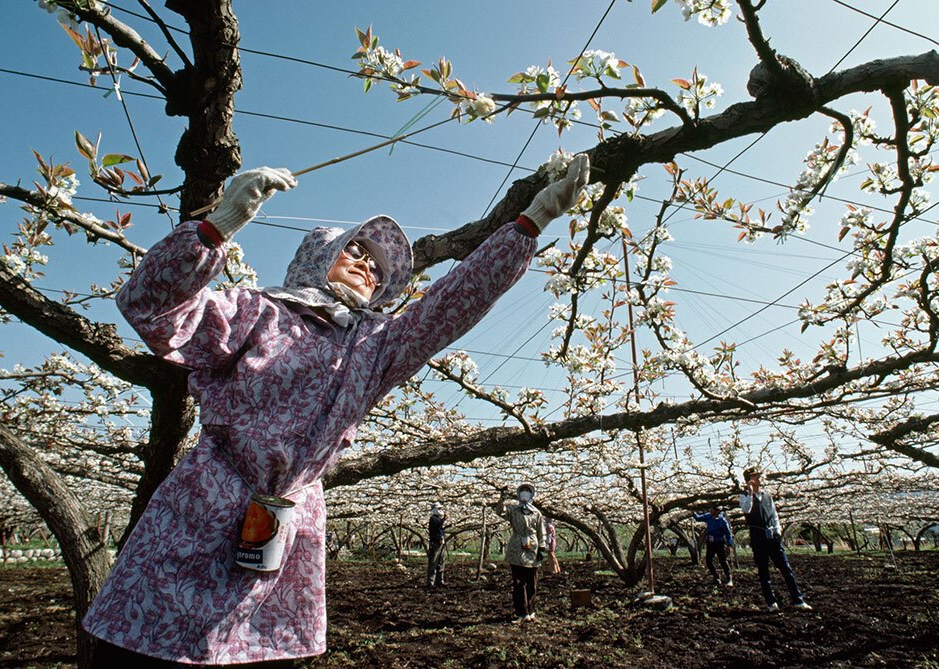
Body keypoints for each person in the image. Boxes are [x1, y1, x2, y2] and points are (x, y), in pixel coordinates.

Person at [82, 155, 590, 666]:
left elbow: (452, 303)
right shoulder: (256, 311)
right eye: (355, 248)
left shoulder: (376, 346)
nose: (368, 265)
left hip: (288, 522)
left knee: (255, 651)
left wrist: (531, 223)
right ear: (318, 252)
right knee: (150, 645)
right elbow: (150, 308)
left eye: (379, 266)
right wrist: (216, 229)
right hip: (204, 505)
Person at [739, 467, 812, 612]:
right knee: (763, 571)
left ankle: (798, 600)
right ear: (749, 480)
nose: (759, 478)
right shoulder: (744, 496)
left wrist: (778, 531)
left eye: (759, 475)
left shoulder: (767, 496)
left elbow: (774, 514)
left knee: (785, 568)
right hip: (758, 538)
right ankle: (771, 603)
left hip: (772, 536)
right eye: (755, 476)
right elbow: (746, 509)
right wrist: (750, 492)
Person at [495, 483, 546, 624]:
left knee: (532, 582)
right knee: (518, 582)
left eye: (527, 492)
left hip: (532, 548)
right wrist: (502, 499)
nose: (524, 494)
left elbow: (542, 531)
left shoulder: (536, 513)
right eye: (522, 492)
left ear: (532, 494)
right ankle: (521, 612)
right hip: (517, 547)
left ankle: (531, 610)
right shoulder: (513, 510)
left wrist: (542, 548)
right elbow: (500, 512)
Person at [693, 506, 733, 586]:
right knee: (708, 561)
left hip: (719, 542)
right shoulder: (708, 516)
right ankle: (716, 576)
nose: (710, 510)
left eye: (712, 509)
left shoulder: (722, 521)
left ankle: (729, 578)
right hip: (710, 543)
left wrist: (729, 544)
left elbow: (728, 533)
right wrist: (694, 513)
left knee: (723, 561)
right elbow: (698, 518)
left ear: (717, 511)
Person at [427, 502, 447, 587]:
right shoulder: (433, 519)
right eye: (439, 509)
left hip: (440, 542)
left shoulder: (438, 518)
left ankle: (440, 580)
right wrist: (444, 518)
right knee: (433, 562)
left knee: (441, 561)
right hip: (435, 543)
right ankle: (431, 581)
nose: (441, 510)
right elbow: (438, 525)